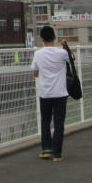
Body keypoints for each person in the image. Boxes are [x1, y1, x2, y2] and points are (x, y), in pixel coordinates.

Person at [31, 25, 71, 162]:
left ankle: (46, 150)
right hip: (60, 93)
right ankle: (57, 154)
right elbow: (72, 59)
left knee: (45, 121)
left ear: (41, 39)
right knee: (59, 123)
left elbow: (35, 73)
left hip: (45, 94)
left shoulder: (38, 54)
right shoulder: (62, 53)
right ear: (54, 37)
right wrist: (65, 46)